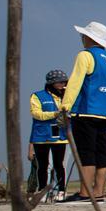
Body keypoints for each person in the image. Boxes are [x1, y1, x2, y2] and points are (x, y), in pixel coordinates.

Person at [58, 21, 106, 203]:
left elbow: (75, 82)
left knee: (87, 152)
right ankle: (98, 192)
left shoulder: (85, 56)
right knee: (102, 153)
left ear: (88, 38)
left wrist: (65, 107)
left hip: (86, 111)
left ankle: (85, 193)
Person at [28, 69, 69, 200]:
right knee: (43, 165)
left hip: (60, 136)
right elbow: (36, 113)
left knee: (59, 164)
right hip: (42, 135)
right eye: (60, 81)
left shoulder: (67, 96)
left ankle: (61, 191)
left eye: (64, 81)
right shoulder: (37, 96)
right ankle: (42, 191)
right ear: (52, 83)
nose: (63, 84)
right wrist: (55, 114)